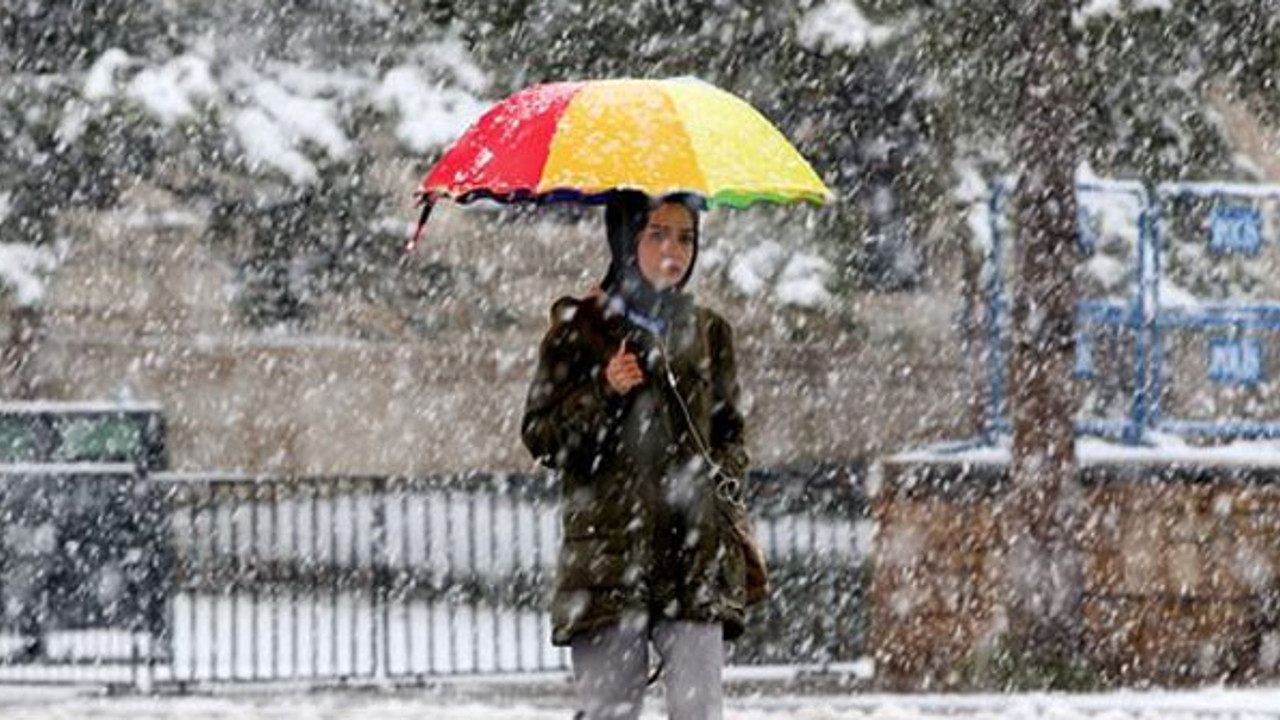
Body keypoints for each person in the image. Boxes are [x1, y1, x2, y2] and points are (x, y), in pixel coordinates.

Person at [521, 191, 750, 720]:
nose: (674, 250)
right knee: (610, 713)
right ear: (625, 240)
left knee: (699, 714)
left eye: (686, 237)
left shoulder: (710, 333)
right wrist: (604, 391)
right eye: (657, 234)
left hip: (693, 561)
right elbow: (542, 437)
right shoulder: (581, 330)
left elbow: (731, 435)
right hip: (608, 562)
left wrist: (715, 490)